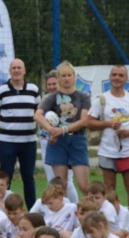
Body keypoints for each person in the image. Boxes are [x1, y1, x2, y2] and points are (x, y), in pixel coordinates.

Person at [87, 64, 129, 217]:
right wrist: (109, 124)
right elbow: (89, 121)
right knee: (109, 188)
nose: (117, 78)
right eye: (114, 74)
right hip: (107, 150)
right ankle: (112, 221)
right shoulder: (102, 99)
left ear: (126, 79)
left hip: (127, 150)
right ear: (109, 77)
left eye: (121, 75)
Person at [36, 61, 91, 196]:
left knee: (84, 186)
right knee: (62, 185)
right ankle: (65, 215)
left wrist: (63, 129)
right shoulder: (52, 98)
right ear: (59, 78)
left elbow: (84, 120)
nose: (66, 78)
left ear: (74, 77)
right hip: (57, 142)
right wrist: (51, 130)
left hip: (77, 140)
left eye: (69, 75)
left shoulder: (83, 97)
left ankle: (90, 215)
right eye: (63, 76)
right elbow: (37, 115)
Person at [0, 58, 41, 207]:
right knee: (5, 179)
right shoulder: (1, 91)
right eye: (14, 68)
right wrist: (10, 128)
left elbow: (38, 112)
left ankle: (32, 211)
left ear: (24, 70)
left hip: (29, 142)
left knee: (29, 178)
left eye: (19, 67)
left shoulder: (34, 90)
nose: (17, 70)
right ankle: (4, 210)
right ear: (9, 71)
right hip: (8, 142)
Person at [37, 71, 79, 203]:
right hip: (46, 142)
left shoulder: (68, 99)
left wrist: (58, 133)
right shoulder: (45, 99)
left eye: (54, 83)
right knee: (52, 180)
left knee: (67, 181)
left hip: (64, 142)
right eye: (48, 84)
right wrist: (47, 132)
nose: (51, 86)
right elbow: (40, 121)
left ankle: (75, 208)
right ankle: (59, 210)